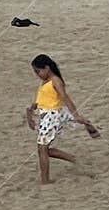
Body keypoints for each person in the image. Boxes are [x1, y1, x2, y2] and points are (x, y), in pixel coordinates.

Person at [24, 55, 100, 184]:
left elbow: (65, 97)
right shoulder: (45, 81)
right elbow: (43, 98)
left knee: (42, 149)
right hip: (45, 115)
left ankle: (45, 180)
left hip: (52, 116)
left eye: (38, 71)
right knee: (43, 149)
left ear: (47, 68)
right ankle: (73, 159)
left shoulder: (55, 80)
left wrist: (75, 114)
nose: (37, 74)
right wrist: (32, 109)